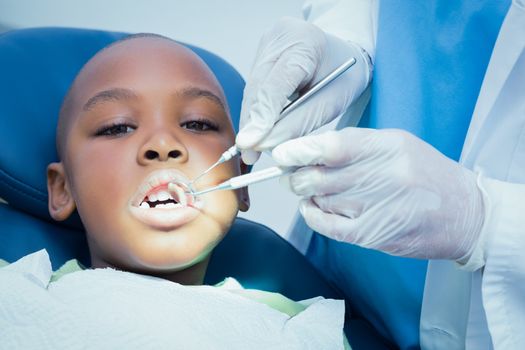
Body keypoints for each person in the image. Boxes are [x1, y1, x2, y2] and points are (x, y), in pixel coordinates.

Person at [0, 33, 348, 349]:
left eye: (197, 123)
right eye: (117, 127)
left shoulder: (303, 328)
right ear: (62, 189)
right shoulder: (14, 293)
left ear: (242, 179)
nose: (164, 144)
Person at [236, 0, 524, 348]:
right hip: (350, 283)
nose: (161, 147)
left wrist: (486, 222)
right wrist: (344, 42)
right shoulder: (274, 278)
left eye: (196, 124)